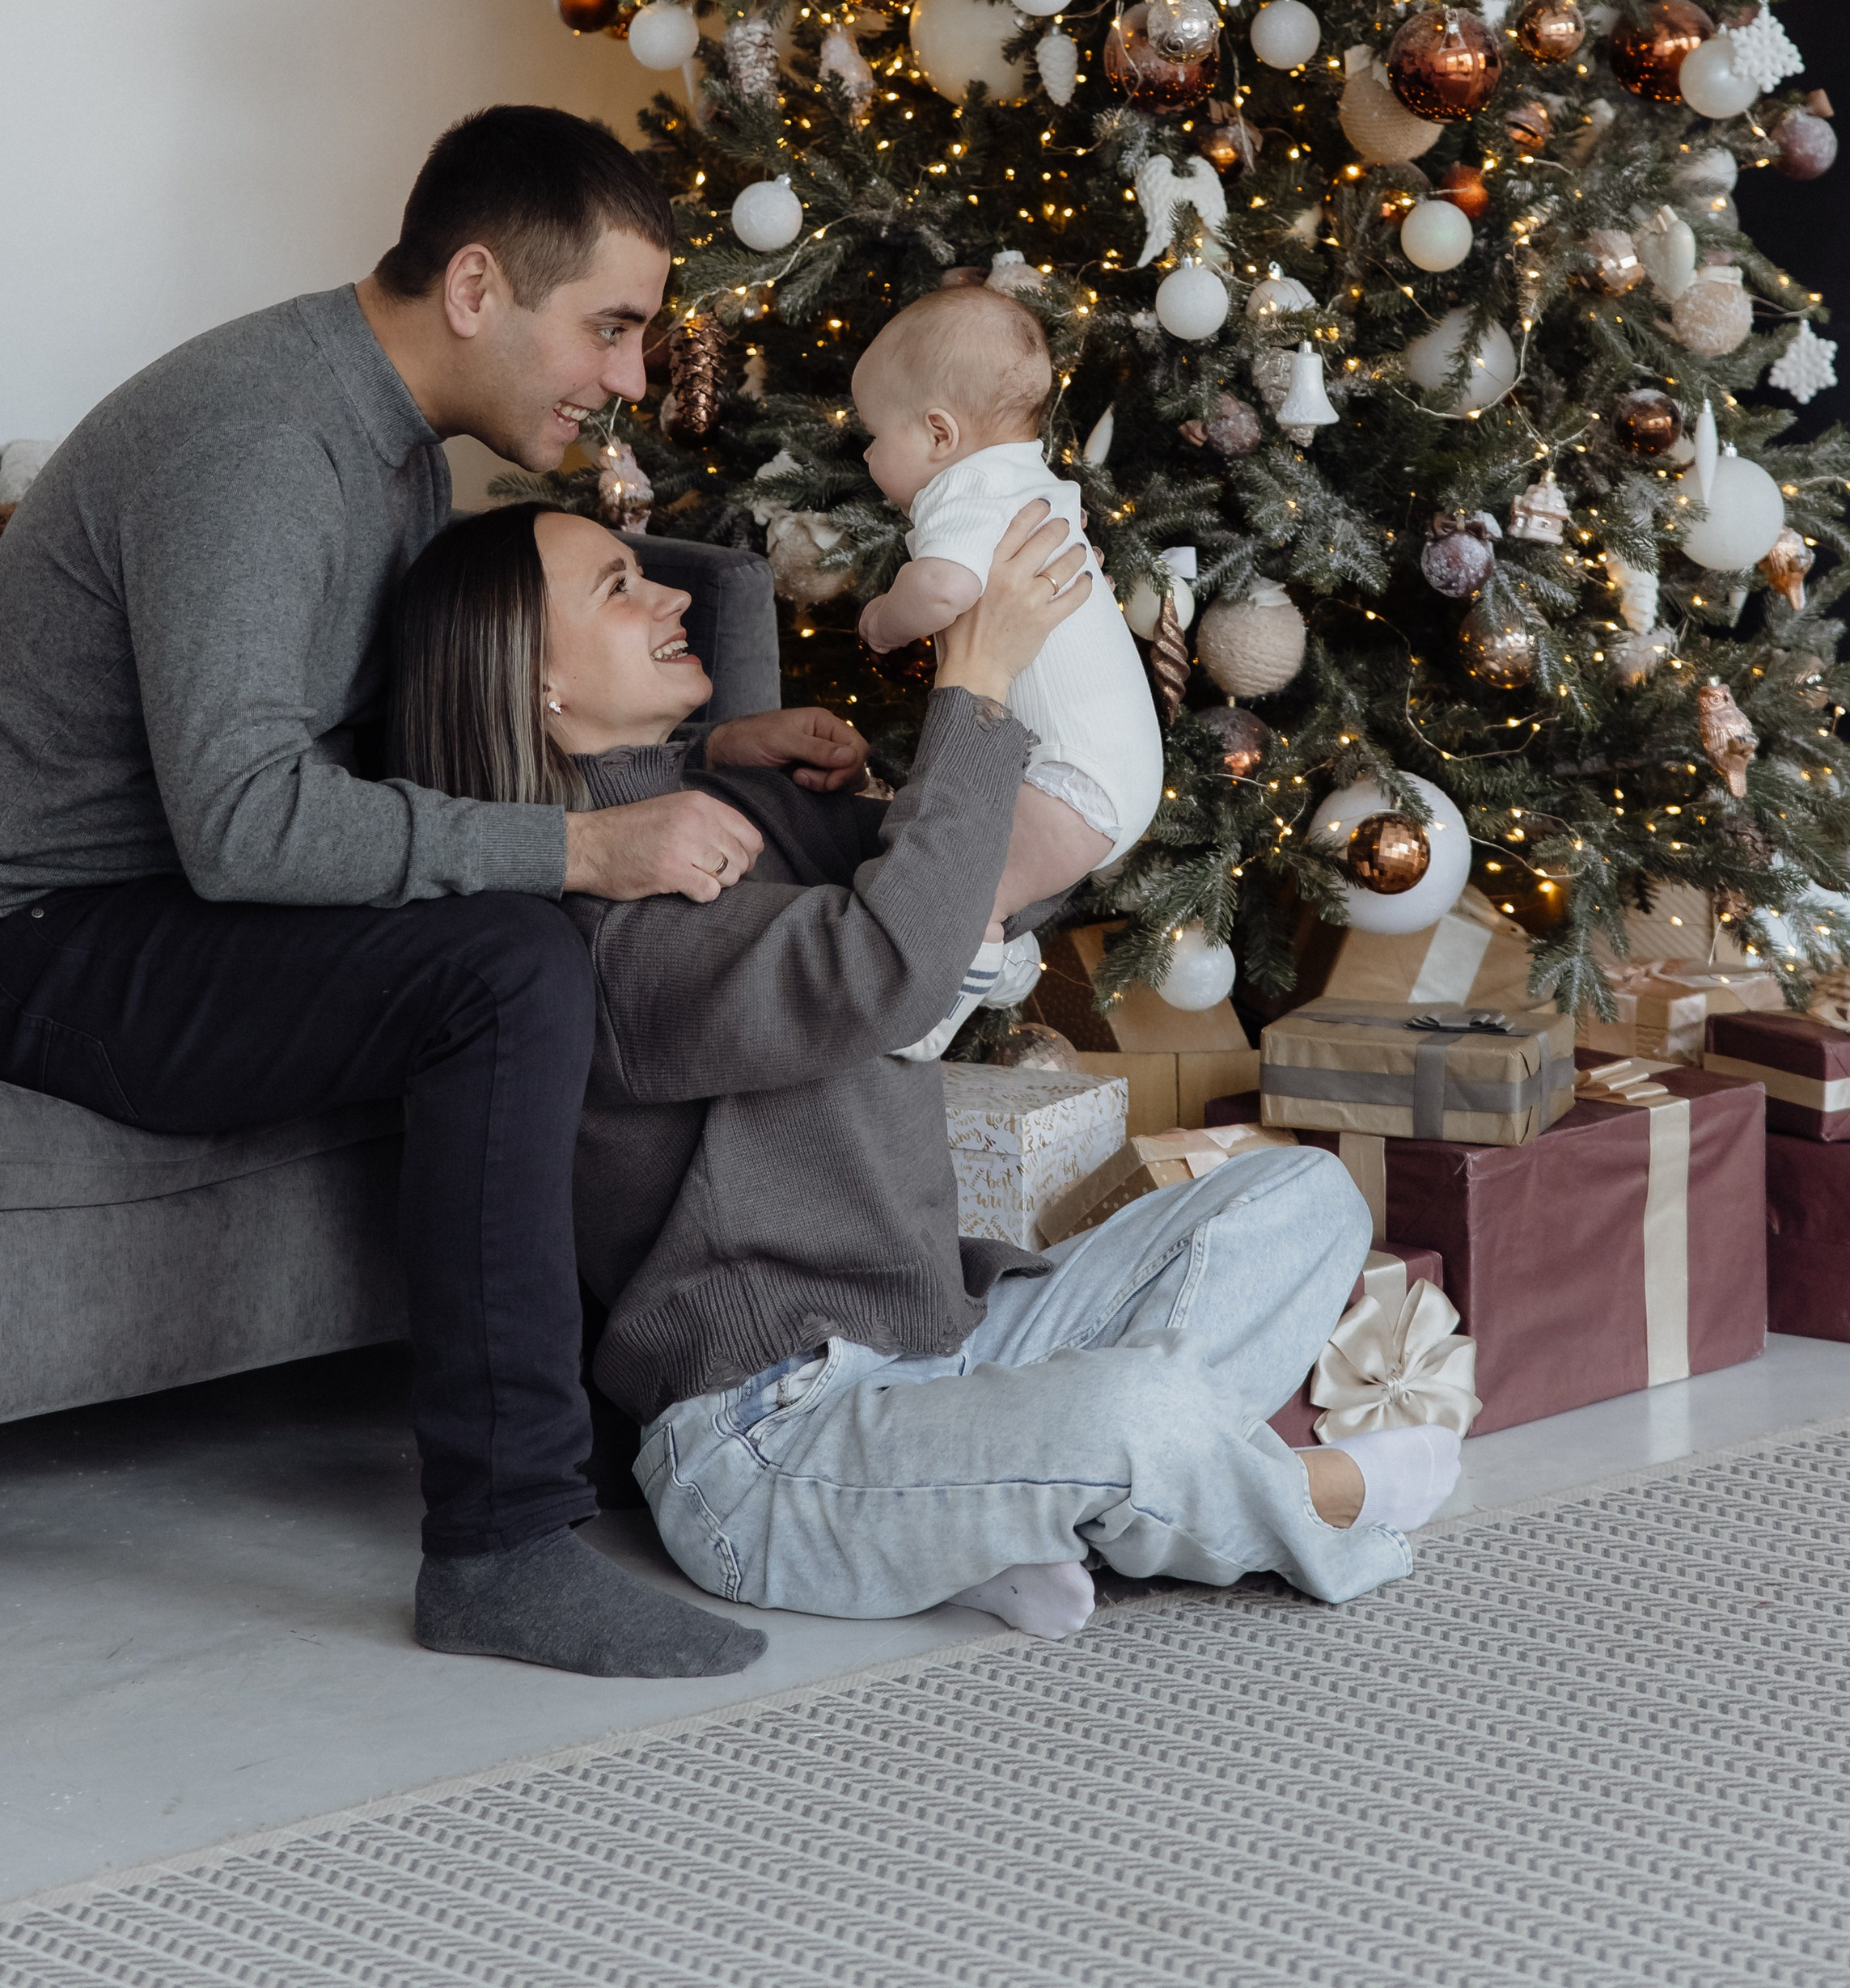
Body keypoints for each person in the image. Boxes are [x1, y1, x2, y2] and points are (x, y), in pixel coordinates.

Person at [0, 104, 867, 1681]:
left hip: (173, 905)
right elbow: (250, 827)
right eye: (608, 327)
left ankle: (648, 1398)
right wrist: (578, 846)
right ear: (477, 289)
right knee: (504, 963)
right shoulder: (265, 442)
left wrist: (682, 739)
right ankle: (500, 1543)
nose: (629, 376)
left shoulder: (398, 448)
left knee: (534, 939)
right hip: (38, 935)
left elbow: (424, 735)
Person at [387, 498, 1459, 1652]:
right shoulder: (600, 935)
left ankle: (1012, 1514)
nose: (674, 596)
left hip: (941, 1348)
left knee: (1303, 1199)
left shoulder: (730, 802)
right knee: (1136, 1409)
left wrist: (765, 751)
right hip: (770, 1447)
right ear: (533, 681)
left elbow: (990, 886)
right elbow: (894, 961)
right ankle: (1292, 1502)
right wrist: (976, 678)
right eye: (616, 588)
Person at [851, 284, 1165, 1060]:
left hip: (1072, 780)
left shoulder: (962, 490)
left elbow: (947, 588)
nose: (863, 454)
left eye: (871, 434)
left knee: (970, 889)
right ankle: (1007, 957)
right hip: (1113, 774)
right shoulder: (1035, 480)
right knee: (994, 867)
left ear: (937, 432)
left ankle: (930, 1017)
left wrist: (881, 620)